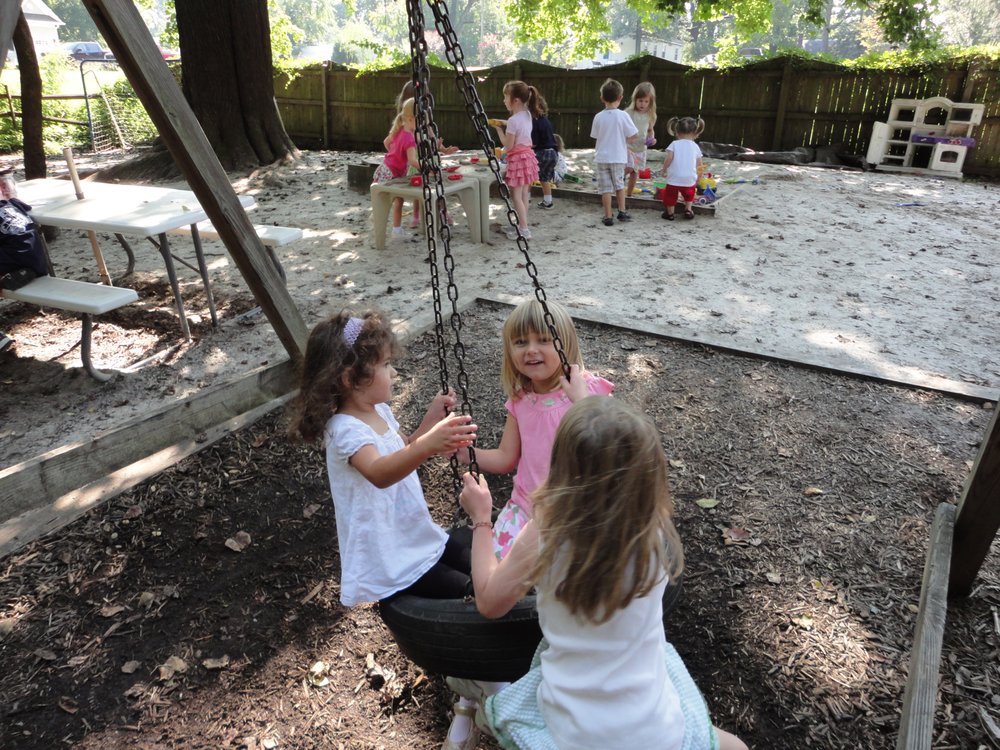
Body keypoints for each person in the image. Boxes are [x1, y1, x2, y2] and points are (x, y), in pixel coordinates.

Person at [455, 398, 749, 750]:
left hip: (573, 732)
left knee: (492, 699)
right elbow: (609, 452)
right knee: (734, 746)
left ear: (562, 466)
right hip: (658, 731)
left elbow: (488, 601)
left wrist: (481, 518)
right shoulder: (652, 528)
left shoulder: (547, 531)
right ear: (648, 472)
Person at [287, 310, 478, 606]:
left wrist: (430, 422)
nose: (394, 373)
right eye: (386, 365)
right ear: (352, 378)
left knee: (480, 563)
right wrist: (427, 445)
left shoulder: (380, 412)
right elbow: (379, 473)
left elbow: (404, 450)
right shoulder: (345, 430)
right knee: (469, 589)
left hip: (416, 534)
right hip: (392, 556)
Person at [462, 299, 613, 560]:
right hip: (524, 510)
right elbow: (506, 457)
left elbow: (614, 447)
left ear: (565, 345)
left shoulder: (585, 393)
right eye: (521, 342)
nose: (531, 350)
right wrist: (467, 455)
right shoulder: (521, 399)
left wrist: (582, 402)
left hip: (576, 516)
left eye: (543, 340)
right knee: (496, 574)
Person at [384, 81, 460, 229]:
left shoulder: (425, 119)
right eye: (424, 98)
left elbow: (432, 138)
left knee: (437, 187)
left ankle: (444, 212)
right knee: (419, 191)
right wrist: (398, 157)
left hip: (429, 160)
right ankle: (416, 215)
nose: (427, 101)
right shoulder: (406, 126)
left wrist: (444, 149)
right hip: (416, 161)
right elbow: (391, 143)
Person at [490, 80, 540, 240]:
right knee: (524, 194)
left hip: (518, 159)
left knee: (516, 196)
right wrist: (504, 123)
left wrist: (499, 130)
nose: (504, 101)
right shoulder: (527, 115)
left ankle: (524, 230)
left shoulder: (513, 121)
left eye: (506, 97)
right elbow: (517, 126)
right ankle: (522, 225)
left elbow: (508, 146)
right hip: (528, 157)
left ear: (515, 100)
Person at [0, 194, 49, 353]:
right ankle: (17, 274)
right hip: (35, 256)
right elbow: (26, 208)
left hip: (16, 255)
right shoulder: (10, 203)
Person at [591, 78, 639, 226]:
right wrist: (627, 140)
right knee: (619, 185)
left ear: (602, 98)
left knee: (605, 189)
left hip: (602, 158)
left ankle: (607, 216)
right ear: (620, 98)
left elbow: (596, 136)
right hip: (618, 157)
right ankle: (622, 211)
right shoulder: (623, 115)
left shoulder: (598, 116)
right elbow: (633, 135)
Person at [372, 98, 422, 241]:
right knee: (398, 201)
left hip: (385, 168)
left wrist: (394, 155)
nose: (423, 124)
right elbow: (413, 161)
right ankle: (396, 231)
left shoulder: (399, 129)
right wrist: (428, 167)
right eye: (421, 120)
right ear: (412, 119)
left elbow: (386, 142)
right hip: (393, 172)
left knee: (390, 200)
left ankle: (394, 228)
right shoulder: (410, 139)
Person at [660, 116, 706, 221]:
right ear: (695, 132)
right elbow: (700, 163)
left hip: (674, 177)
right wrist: (699, 175)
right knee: (689, 194)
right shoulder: (695, 146)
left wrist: (664, 169)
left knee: (670, 195)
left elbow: (669, 158)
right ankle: (688, 209)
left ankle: (670, 213)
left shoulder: (674, 144)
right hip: (689, 178)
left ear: (677, 131)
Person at [624, 82, 657, 200]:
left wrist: (651, 138)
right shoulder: (629, 113)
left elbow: (650, 130)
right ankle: (616, 181)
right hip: (628, 147)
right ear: (635, 99)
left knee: (635, 172)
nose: (643, 104)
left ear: (651, 102)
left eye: (646, 101)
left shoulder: (651, 115)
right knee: (628, 168)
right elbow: (622, 129)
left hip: (641, 148)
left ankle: (629, 194)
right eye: (640, 101)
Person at [530, 89, 558, 210]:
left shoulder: (534, 123)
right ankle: (548, 201)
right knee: (544, 178)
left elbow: (534, 143)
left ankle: (525, 198)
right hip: (553, 153)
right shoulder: (546, 121)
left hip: (542, 153)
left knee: (529, 176)